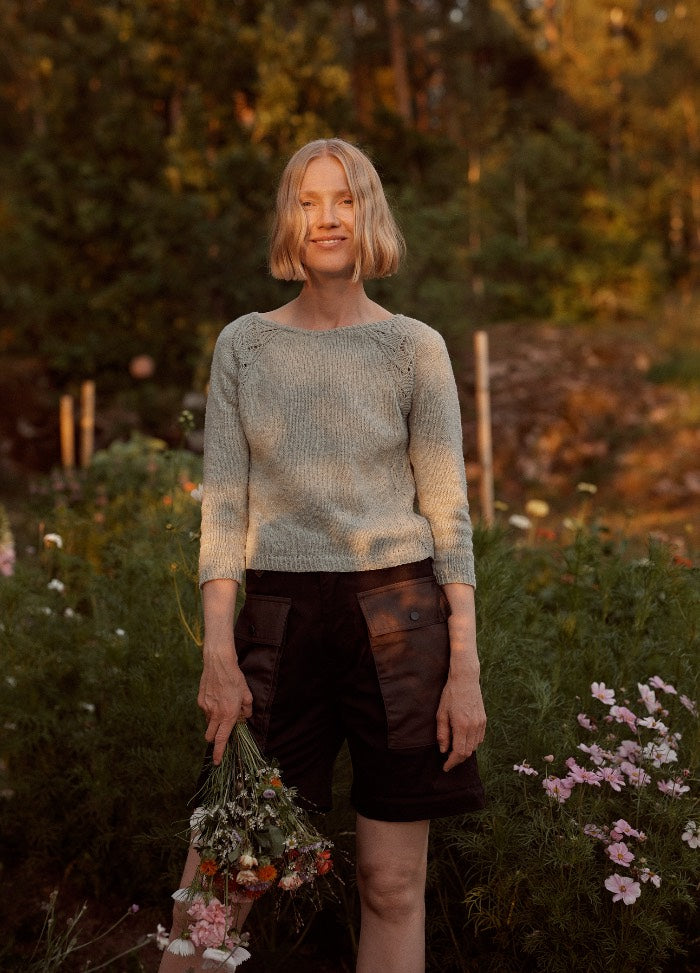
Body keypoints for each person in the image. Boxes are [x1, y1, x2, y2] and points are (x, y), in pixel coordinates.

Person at [159, 137, 486, 973]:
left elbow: (448, 515)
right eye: (309, 201)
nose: (327, 217)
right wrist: (218, 651)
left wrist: (464, 663)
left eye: (343, 199)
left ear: (368, 213)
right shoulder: (244, 345)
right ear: (289, 219)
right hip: (278, 625)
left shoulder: (417, 346)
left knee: (389, 884)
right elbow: (223, 510)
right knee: (223, 877)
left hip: (401, 620)